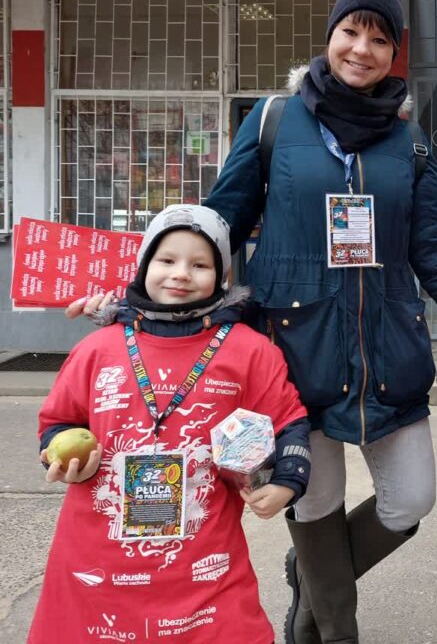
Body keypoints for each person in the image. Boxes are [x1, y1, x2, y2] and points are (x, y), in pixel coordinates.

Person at [207, 0, 437, 643]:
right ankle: (325, 631)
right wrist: (152, 289)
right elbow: (222, 219)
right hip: (292, 349)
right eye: (352, 30)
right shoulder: (274, 122)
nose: (362, 49)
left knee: (411, 500)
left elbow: (434, 249)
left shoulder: (408, 142)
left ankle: (314, 577)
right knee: (314, 499)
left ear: (394, 52)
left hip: (389, 349)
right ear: (330, 35)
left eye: (381, 39)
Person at [31, 204, 311, 644]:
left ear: (222, 278)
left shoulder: (250, 351)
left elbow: (288, 421)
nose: (180, 273)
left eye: (199, 264)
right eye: (166, 260)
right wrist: (60, 455)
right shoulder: (96, 349)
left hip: (204, 566)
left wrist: (288, 482)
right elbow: (58, 421)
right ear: (143, 267)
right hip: (97, 566)